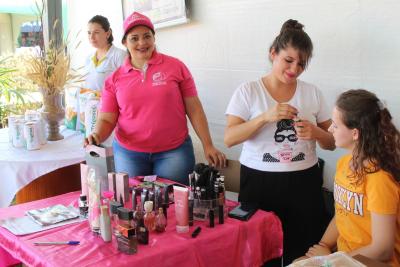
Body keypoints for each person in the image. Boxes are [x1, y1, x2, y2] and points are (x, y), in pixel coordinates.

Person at [224, 19, 335, 265]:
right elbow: (230, 138)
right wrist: (265, 117)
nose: (294, 69)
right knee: (261, 251)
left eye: (301, 64)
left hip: (304, 181)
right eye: (288, 60)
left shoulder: (312, 92)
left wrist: (316, 132)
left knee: (304, 252)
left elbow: (332, 142)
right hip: (259, 181)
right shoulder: (248, 91)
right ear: (273, 53)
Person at [85, 12, 226, 185]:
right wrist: (97, 135)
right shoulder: (114, 79)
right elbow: (107, 119)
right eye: (134, 38)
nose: (142, 43)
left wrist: (208, 145)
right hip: (129, 154)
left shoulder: (176, 67)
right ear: (124, 42)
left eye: (147, 36)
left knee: (176, 203)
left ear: (154, 38)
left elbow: (194, 108)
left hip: (174, 152)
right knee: (134, 206)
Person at [303, 89, 400, 266]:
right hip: (343, 257)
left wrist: (330, 261)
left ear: (355, 133)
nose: (330, 128)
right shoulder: (344, 163)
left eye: (335, 124)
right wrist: (323, 246)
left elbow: (383, 249)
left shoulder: (379, 179)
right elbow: (342, 213)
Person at [85, 15, 127, 91]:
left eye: (96, 32)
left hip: (110, 102)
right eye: (89, 33)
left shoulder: (120, 56)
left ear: (108, 33)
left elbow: (125, 87)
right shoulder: (88, 59)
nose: (91, 37)